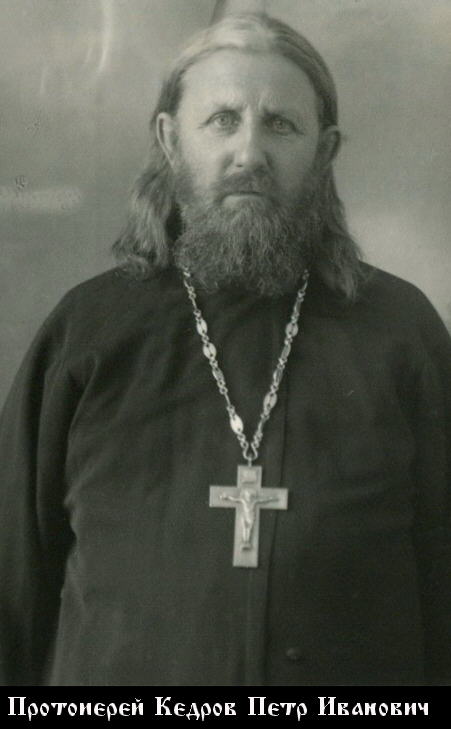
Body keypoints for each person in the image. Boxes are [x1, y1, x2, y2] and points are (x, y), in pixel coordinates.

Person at [0, 12, 450, 687]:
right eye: (222, 120)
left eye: (281, 125)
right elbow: (11, 599)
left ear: (325, 151)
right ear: (170, 138)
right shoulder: (85, 334)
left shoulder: (401, 333)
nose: (249, 154)